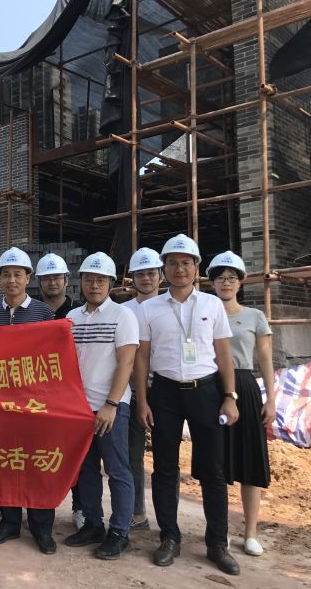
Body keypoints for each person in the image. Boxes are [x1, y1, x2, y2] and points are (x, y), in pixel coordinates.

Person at [134, 233, 241, 575]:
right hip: (164, 393)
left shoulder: (212, 305)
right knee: (165, 469)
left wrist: (230, 397)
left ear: (196, 267)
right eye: (172, 263)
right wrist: (143, 401)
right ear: (163, 269)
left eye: (186, 263)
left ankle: (217, 543)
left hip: (206, 391)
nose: (179, 269)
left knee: (213, 470)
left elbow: (224, 354)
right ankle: (169, 537)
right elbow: (142, 357)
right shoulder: (149, 309)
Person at [0, 247, 57, 555]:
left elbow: (53, 358)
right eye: (6, 275)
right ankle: (9, 522)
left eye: (18, 274)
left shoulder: (43, 312)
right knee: (6, 462)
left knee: (37, 463)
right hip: (1, 404)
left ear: (28, 278)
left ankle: (42, 528)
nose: (12, 280)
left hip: (35, 404)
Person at [64, 252, 138, 560]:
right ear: (80, 282)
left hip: (111, 408)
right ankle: (93, 523)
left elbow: (126, 362)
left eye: (101, 280)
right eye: (89, 280)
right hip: (79, 408)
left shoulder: (123, 316)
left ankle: (120, 532)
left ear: (110, 283)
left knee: (117, 470)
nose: (94, 285)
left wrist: (111, 403)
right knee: (86, 470)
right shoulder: (72, 318)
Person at [207, 250, 275, 557]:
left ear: (240, 282)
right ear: (212, 282)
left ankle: (250, 533)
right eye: (220, 278)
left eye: (232, 277)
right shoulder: (204, 314)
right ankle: (217, 530)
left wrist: (271, 398)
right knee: (215, 462)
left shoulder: (254, 317)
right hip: (212, 387)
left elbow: (265, 359)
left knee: (250, 459)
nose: (226, 282)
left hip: (245, 388)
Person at [35, 252, 85, 529]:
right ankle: (39, 508)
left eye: (57, 277)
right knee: (40, 453)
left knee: (75, 453)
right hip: (39, 394)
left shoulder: (78, 312)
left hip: (71, 392)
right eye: (47, 278)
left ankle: (80, 507)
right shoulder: (34, 312)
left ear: (67, 280)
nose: (52, 282)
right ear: (39, 282)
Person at [123, 247, 163, 532]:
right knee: (132, 455)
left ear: (160, 275)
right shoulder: (125, 311)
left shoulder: (171, 306)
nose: (146, 278)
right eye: (140, 274)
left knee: (166, 459)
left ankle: (168, 520)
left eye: (151, 273)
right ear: (132, 278)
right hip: (132, 392)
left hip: (166, 390)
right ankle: (137, 513)